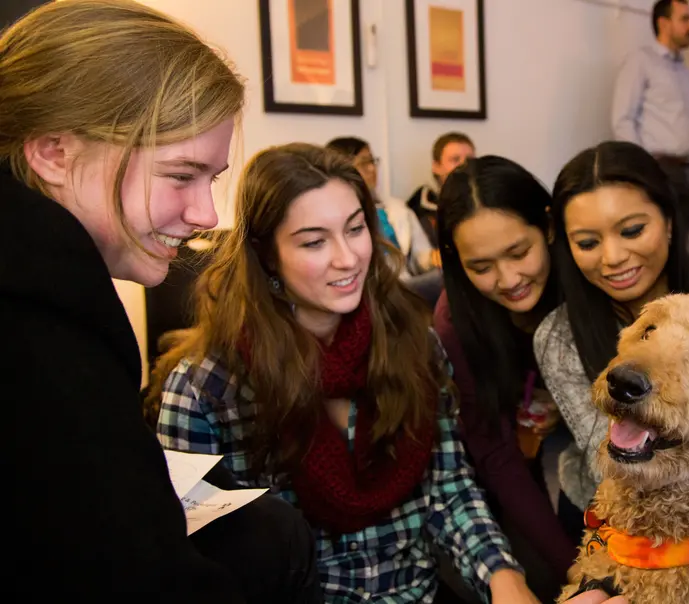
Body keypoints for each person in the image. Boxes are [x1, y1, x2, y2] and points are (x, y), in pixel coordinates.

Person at [0, 1, 319, 601]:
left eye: (212, 180)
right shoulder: (42, 329)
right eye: (180, 176)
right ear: (53, 153)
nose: (205, 215)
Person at [151, 143, 540, 604]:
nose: (348, 258)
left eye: (356, 229)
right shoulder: (207, 389)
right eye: (314, 241)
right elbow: (193, 559)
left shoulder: (414, 345)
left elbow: (449, 491)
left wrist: (503, 578)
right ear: (267, 255)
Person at [534, 141, 689, 544]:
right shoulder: (558, 335)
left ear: (669, 221)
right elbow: (616, 463)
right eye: (587, 243)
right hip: (611, 520)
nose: (613, 257)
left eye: (633, 230)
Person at [434, 156, 577, 601]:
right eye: (482, 267)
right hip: (501, 469)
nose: (509, 279)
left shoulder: (586, 277)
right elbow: (497, 457)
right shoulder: (455, 325)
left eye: (519, 253)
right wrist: (578, 572)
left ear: (549, 228)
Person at [612, 0, 689, 245]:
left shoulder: (684, 69)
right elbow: (623, 120)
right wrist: (644, 169)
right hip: (659, 170)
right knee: (658, 244)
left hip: (688, 171)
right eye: (685, 19)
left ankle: (680, 285)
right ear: (663, 23)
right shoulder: (641, 62)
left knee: (681, 248)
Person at [326, 136, 443, 305]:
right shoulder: (334, 216)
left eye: (373, 161)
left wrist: (434, 258)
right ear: (342, 168)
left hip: (406, 285)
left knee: (450, 276)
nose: (372, 169)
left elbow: (420, 256)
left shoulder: (397, 208)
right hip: (368, 290)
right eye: (364, 163)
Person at [407, 131, 476, 247]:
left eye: (469, 160)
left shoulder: (490, 201)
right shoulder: (420, 210)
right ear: (436, 167)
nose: (464, 165)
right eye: (455, 159)